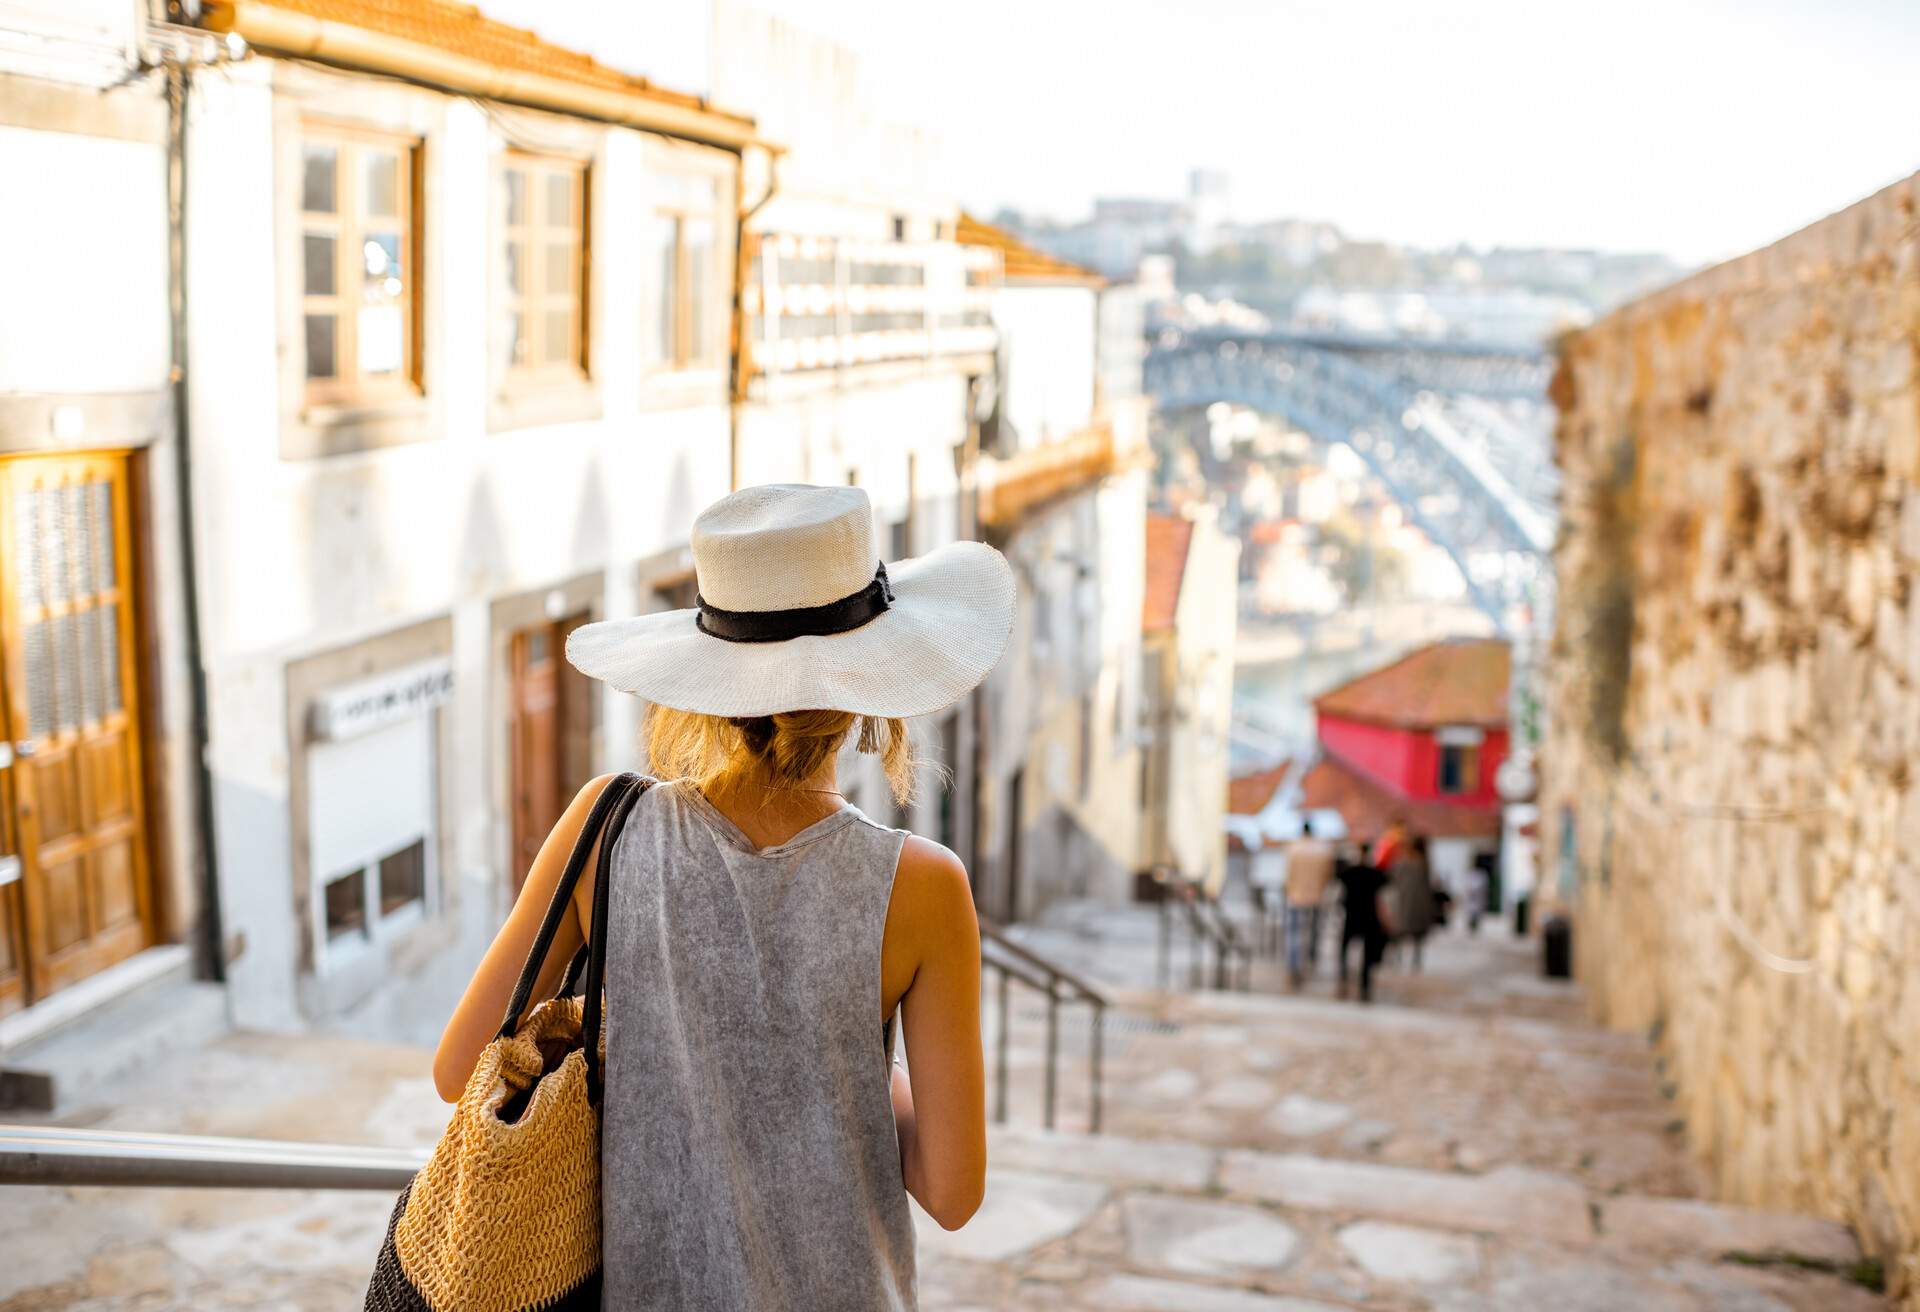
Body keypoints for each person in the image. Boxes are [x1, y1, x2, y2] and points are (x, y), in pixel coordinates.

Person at [431, 485, 1014, 1310]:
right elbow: (951, 1192)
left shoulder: (604, 832)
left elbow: (462, 1072)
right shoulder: (922, 886)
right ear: (866, 682)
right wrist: (843, 1051)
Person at [1283, 818, 1335, 988]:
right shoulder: (1322, 850)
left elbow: (1289, 874)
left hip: (1295, 896)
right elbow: (1328, 876)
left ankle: (1294, 965)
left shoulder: (1293, 848)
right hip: (1316, 896)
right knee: (1313, 934)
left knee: (1294, 934)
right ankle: (1310, 962)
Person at [1335, 846, 1391, 1003]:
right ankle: (1364, 986)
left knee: (1344, 950)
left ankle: (1343, 978)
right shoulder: (1374, 873)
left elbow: (1338, 879)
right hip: (1369, 918)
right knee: (1366, 955)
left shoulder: (1350, 872)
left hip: (1352, 917)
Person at [1389, 835, 1437, 972]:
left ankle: (1399, 958)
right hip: (1419, 901)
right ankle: (1415, 961)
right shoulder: (1423, 863)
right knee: (1416, 934)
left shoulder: (1402, 861)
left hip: (1405, 899)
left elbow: (1394, 879)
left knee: (1401, 930)